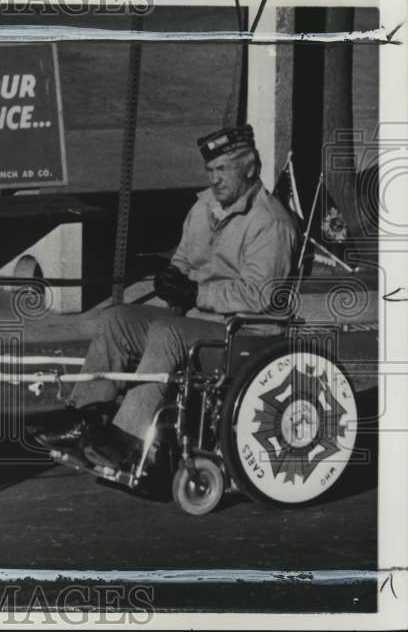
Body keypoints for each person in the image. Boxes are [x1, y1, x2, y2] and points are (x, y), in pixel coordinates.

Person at [34, 125, 300, 473]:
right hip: (196, 324)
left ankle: (128, 439)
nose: (215, 179)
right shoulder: (204, 207)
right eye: (210, 171)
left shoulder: (271, 223)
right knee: (116, 319)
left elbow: (259, 296)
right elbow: (185, 260)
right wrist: (171, 277)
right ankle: (87, 417)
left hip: (243, 335)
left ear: (250, 168)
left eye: (223, 170)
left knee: (166, 332)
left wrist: (196, 293)